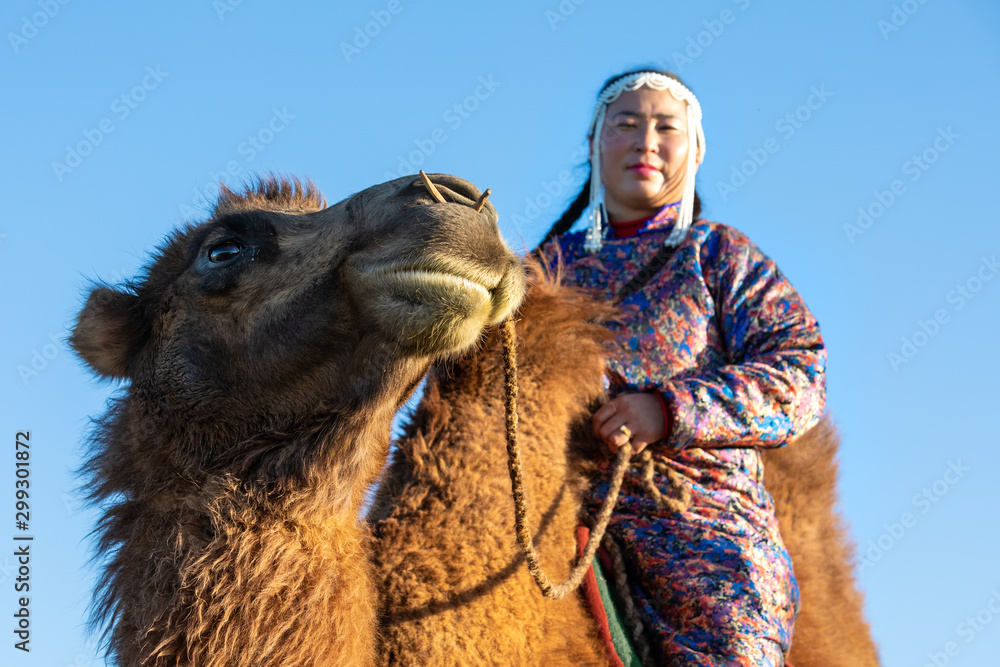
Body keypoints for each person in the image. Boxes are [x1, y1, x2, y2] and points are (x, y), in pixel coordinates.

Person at [537, 69, 827, 666]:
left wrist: (668, 410)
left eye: (666, 127)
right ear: (596, 143)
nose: (646, 139)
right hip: (552, 507)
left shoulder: (719, 254)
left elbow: (800, 374)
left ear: (694, 150)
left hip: (700, 522)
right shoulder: (538, 272)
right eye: (626, 123)